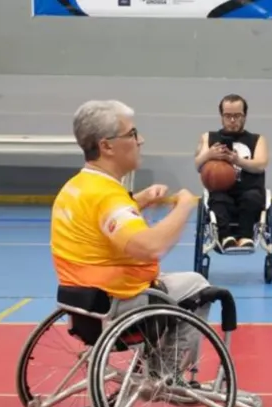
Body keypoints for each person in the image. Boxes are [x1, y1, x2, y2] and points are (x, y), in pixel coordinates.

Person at [51, 99, 210, 341]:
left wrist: (139, 201)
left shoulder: (77, 187)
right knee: (197, 285)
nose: (140, 140)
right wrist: (185, 205)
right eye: (132, 134)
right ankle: (169, 374)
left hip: (81, 302)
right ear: (107, 146)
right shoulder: (107, 196)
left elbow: (99, 221)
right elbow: (150, 247)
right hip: (117, 301)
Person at [194, 94, 269, 250]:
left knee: (252, 197)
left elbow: (261, 164)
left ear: (245, 116)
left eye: (237, 116)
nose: (233, 120)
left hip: (249, 190)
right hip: (222, 191)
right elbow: (197, 165)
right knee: (218, 199)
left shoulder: (257, 139)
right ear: (221, 116)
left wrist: (237, 160)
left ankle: (245, 237)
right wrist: (208, 155)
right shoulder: (208, 138)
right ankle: (225, 237)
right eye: (228, 116)